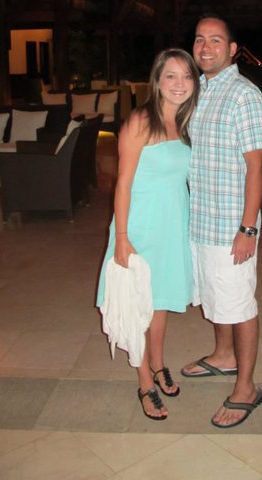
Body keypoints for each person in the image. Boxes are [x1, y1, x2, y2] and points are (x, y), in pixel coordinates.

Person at [96, 48, 200, 421]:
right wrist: (122, 237)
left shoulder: (185, 122)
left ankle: (158, 363)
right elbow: (122, 183)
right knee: (135, 303)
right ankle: (144, 382)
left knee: (160, 301)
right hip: (140, 225)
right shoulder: (141, 121)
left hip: (172, 225)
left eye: (187, 76)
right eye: (171, 75)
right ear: (157, 80)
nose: (179, 83)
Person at [181, 15, 262, 428]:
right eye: (200, 39)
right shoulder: (196, 91)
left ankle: (247, 387)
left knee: (239, 304)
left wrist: (248, 229)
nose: (205, 47)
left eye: (216, 40)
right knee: (213, 295)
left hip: (231, 225)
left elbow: (257, 167)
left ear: (233, 50)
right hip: (199, 220)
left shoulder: (244, 95)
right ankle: (223, 355)